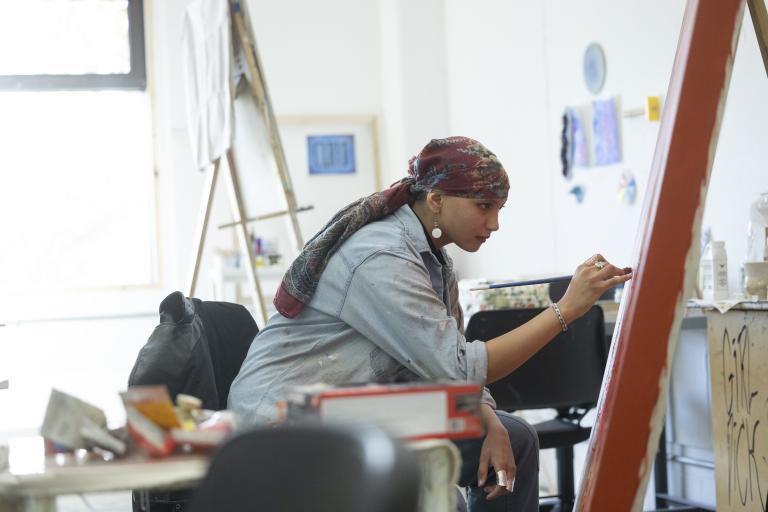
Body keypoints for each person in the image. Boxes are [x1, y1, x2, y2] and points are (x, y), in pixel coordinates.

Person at [228, 136, 632, 512]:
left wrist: (487, 417)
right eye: (483, 207)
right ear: (436, 200)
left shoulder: (434, 260)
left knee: (514, 436)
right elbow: (458, 367)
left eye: (498, 209)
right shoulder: (382, 257)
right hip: (288, 414)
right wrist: (566, 310)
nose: (494, 225)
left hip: (355, 405)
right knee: (437, 489)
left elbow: (447, 364)